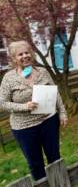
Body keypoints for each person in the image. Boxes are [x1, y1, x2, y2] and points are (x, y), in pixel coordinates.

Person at [0, 40, 67, 181]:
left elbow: (55, 93)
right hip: (24, 128)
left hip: (49, 121)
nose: (25, 56)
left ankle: (60, 183)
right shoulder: (9, 78)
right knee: (36, 164)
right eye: (20, 54)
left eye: (27, 52)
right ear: (13, 59)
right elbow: (2, 103)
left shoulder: (42, 72)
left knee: (55, 158)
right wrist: (24, 106)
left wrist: (62, 112)